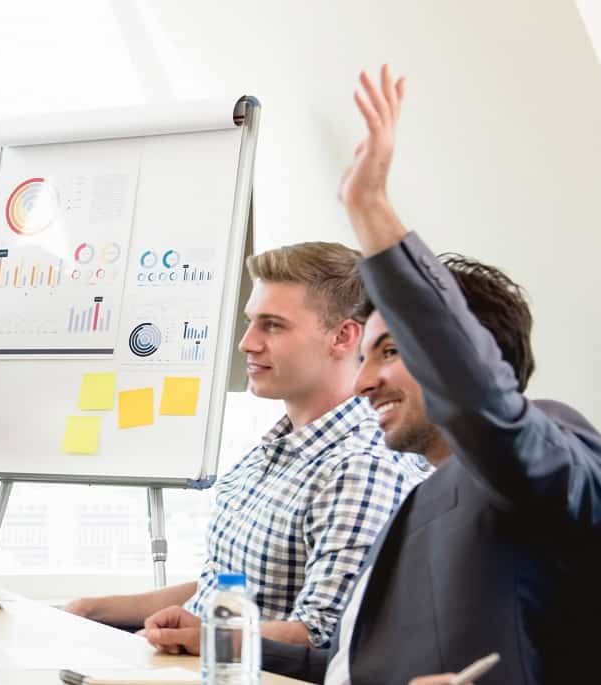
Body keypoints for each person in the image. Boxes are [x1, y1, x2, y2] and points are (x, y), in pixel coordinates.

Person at [143, 65, 601, 685]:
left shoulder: (547, 450)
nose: (363, 382)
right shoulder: (426, 494)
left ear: (467, 352)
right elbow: (347, 663)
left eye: (390, 351)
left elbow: (483, 403)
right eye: (367, 357)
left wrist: (371, 212)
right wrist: (216, 642)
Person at [66, 242, 428, 648]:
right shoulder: (265, 457)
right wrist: (92, 610)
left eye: (272, 325)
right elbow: (217, 589)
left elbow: (323, 635)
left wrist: (205, 636)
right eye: (251, 322)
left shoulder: (361, 466)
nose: (247, 343)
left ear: (343, 337)